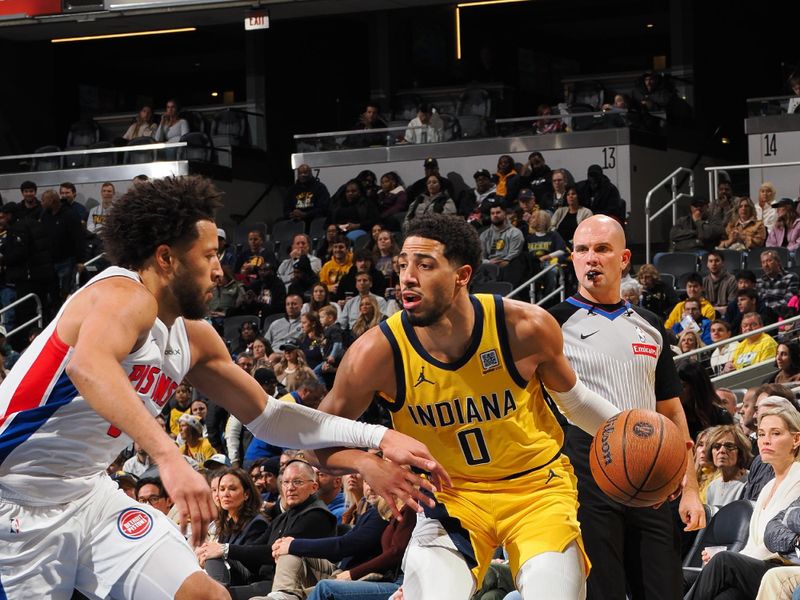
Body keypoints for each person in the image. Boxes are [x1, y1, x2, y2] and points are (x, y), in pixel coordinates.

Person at [0, 175, 448, 600]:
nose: (220, 271)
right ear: (166, 257)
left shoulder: (193, 337)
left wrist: (378, 438)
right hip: (13, 500)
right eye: (208, 256)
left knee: (205, 594)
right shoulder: (123, 294)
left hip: (86, 494)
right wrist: (169, 456)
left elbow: (270, 415)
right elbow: (89, 366)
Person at [315, 213, 623, 600]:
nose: (407, 277)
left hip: (536, 489)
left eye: (425, 265)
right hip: (450, 498)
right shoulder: (374, 354)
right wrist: (365, 463)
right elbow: (314, 440)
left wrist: (637, 432)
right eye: (403, 265)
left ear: (461, 275)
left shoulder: (524, 327)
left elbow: (576, 403)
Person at [551, 214, 704, 600]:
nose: (591, 258)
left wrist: (690, 488)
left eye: (602, 249)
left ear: (623, 259)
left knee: (662, 589)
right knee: (602, 591)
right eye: (582, 250)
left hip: (651, 467)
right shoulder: (551, 325)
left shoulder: (651, 325)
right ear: (573, 259)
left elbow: (671, 411)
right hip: (583, 470)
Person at [685, 405, 800, 600]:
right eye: (762, 434)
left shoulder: (798, 478)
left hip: (784, 567)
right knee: (722, 593)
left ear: (796, 439)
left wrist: (734, 559)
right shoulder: (767, 487)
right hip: (757, 566)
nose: (765, 441)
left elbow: (771, 543)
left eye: (776, 433)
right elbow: (751, 544)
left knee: (723, 562)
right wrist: (735, 558)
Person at [196, 468, 269, 587]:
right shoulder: (226, 522)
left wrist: (214, 553)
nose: (225, 494)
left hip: (250, 581)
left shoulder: (257, 523)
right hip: (229, 574)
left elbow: (253, 564)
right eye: (222, 489)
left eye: (232, 489)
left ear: (246, 494)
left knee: (213, 557)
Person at [676, 361, 733, 440]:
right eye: (675, 385)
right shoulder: (674, 414)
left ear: (696, 388)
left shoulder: (720, 416)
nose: (677, 391)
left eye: (683, 386)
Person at [703, 425, 752, 513]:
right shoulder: (712, 486)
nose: (721, 450)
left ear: (741, 452)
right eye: (716, 446)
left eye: (729, 446)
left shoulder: (749, 483)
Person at [702, 250, 737, 314]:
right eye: (710, 261)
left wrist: (710, 309)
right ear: (707, 264)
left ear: (723, 263)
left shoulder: (731, 280)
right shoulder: (703, 281)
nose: (713, 264)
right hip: (707, 315)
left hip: (726, 315)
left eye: (717, 261)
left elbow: (732, 306)